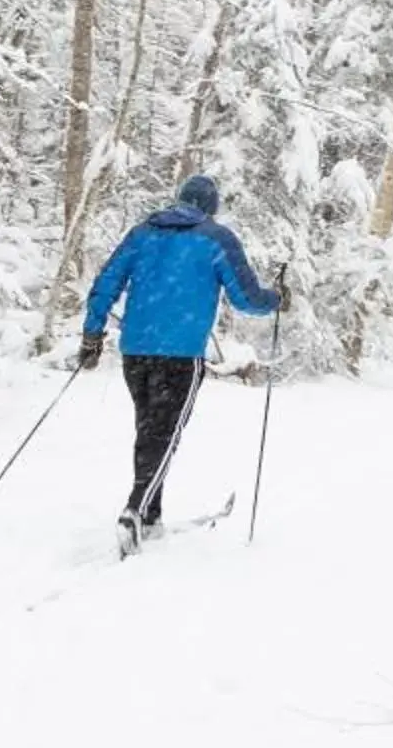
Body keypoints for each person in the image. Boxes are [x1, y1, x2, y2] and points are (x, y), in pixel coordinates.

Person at [78, 172, 282, 534]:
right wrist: (277, 299)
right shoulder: (216, 239)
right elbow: (246, 299)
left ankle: (150, 515)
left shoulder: (142, 234)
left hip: (137, 352)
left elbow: (106, 281)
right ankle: (135, 511)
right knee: (165, 433)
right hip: (181, 354)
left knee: (149, 431)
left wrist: (92, 334)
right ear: (211, 208)